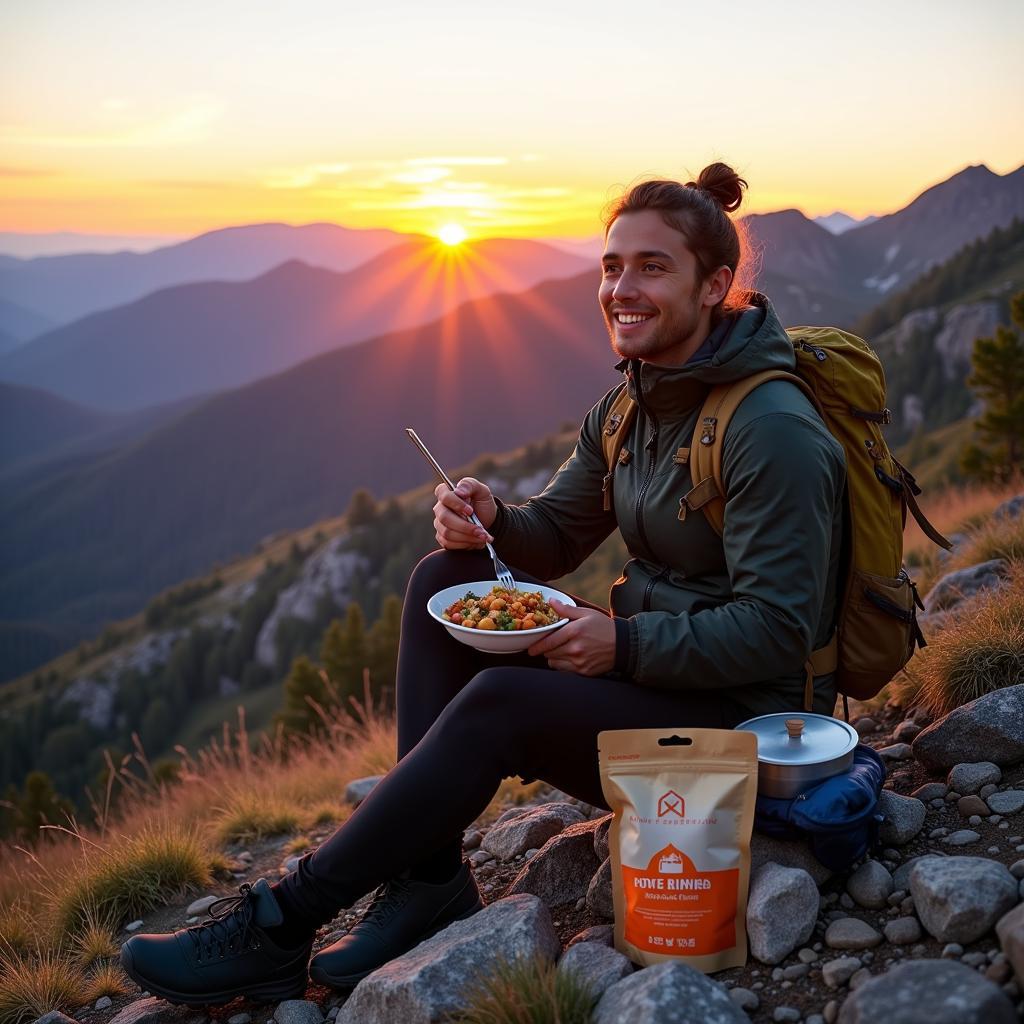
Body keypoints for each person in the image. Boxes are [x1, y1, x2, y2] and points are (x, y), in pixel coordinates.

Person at [120, 162, 846, 1005]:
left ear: (715, 285)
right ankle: (428, 881)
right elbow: (554, 535)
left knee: (500, 699)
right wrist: (492, 519)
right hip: (651, 674)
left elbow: (779, 630)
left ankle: (280, 922)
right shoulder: (632, 406)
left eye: (653, 267)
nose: (621, 288)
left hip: (743, 732)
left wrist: (623, 642)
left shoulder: (770, 427)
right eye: (612, 266)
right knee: (445, 579)